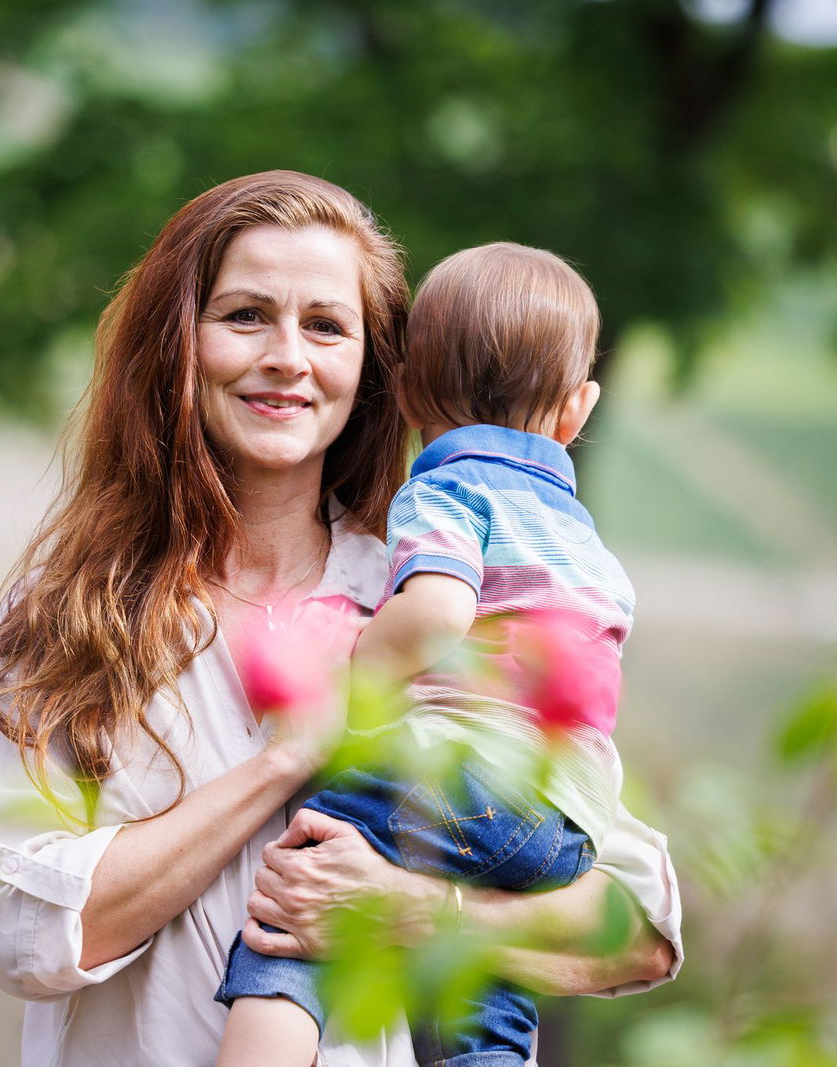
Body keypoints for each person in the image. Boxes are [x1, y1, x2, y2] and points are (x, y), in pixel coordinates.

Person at [0, 171, 683, 1067]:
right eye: (246, 315)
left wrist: (417, 911)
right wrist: (293, 754)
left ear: (380, 376)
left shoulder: (431, 596)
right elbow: (29, 934)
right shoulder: (69, 619)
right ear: (176, 343)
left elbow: (639, 921)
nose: (288, 357)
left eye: (327, 326)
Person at [215, 243, 632, 1067]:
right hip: (568, 818)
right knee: (490, 991)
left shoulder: (449, 490)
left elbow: (438, 612)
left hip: (467, 778)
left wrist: (352, 665)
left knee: (301, 911)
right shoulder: (585, 542)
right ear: (577, 410)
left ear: (403, 390)